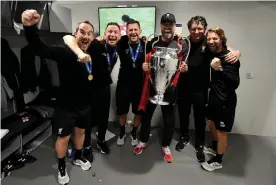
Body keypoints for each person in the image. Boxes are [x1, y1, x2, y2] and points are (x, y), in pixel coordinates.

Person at [21, 9, 92, 185]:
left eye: (90, 33)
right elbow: (39, 48)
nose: (86, 36)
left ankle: (77, 157)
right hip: (65, 106)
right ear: (75, 34)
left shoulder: (94, 52)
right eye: (82, 32)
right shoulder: (64, 52)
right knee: (63, 138)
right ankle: (61, 166)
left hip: (84, 105)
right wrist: (30, 28)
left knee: (81, 132)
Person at [175, 16, 241, 163]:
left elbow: (224, 47)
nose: (196, 31)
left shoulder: (209, 42)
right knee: (183, 115)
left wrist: (236, 52)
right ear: (189, 29)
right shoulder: (184, 42)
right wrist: (181, 68)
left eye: (199, 29)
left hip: (201, 89)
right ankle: (184, 137)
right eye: (193, 28)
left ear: (204, 29)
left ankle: (199, 144)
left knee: (200, 119)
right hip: (184, 87)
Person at [133, 13, 189, 163]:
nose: (167, 27)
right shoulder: (152, 42)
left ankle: (165, 145)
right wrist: (144, 66)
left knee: (168, 119)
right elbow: (147, 62)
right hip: (152, 86)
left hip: (170, 88)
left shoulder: (181, 44)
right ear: (161, 26)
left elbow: (184, 64)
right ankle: (143, 141)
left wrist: (184, 68)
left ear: (174, 25)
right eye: (164, 24)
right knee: (146, 116)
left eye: (170, 24)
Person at [63, 22, 121, 155]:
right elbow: (68, 38)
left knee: (103, 117)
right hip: (90, 88)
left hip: (105, 87)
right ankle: (87, 145)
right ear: (104, 34)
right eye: (109, 32)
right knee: (88, 118)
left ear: (119, 35)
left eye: (115, 32)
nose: (112, 35)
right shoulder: (95, 44)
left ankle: (101, 141)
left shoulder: (119, 46)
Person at [201, 27, 240, 171]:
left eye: (215, 38)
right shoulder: (210, 52)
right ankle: (215, 147)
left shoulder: (230, 57)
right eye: (209, 38)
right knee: (210, 122)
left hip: (225, 101)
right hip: (213, 98)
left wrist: (220, 69)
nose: (211, 41)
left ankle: (218, 160)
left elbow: (235, 83)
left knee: (221, 130)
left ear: (221, 39)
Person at [115, 20, 145, 146]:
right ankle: (122, 132)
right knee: (122, 111)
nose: (133, 32)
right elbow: (109, 40)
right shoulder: (121, 43)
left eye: (135, 30)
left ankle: (133, 132)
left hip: (140, 86)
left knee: (138, 112)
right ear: (126, 32)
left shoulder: (146, 44)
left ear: (140, 31)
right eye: (130, 30)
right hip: (123, 84)